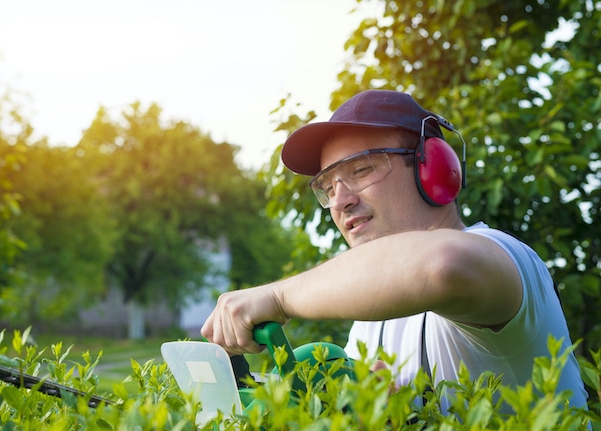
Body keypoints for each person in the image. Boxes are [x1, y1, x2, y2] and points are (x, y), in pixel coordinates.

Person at [200, 89, 588, 413]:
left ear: (432, 167)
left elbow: (442, 265)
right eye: (328, 187)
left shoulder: (502, 256)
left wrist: (278, 296)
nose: (341, 201)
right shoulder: (372, 316)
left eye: (361, 170)